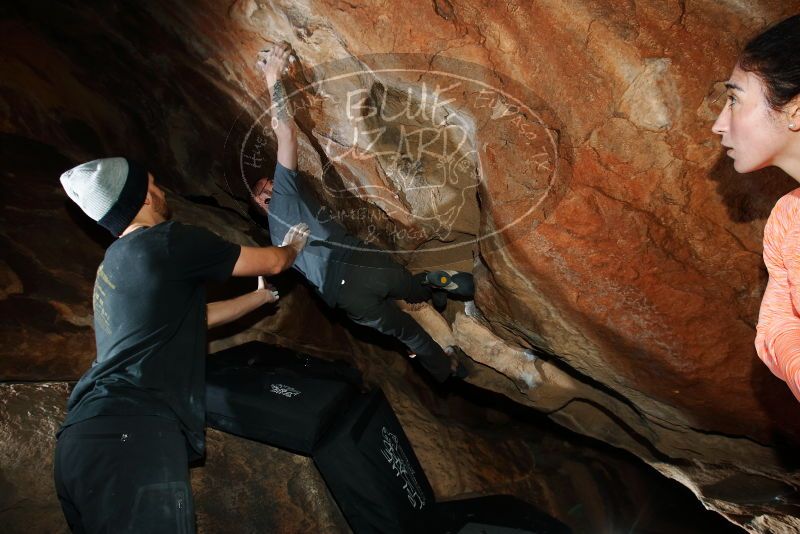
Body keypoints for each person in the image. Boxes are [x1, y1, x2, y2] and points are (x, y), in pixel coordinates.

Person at [53, 156, 310, 532]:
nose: (161, 191)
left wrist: (261, 299)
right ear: (140, 198)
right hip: (133, 432)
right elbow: (270, 262)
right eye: (153, 184)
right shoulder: (168, 241)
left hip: (78, 443)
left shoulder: (112, 264)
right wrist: (292, 249)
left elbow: (193, 319)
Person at [252, 43, 473, 383]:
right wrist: (272, 78)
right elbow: (285, 132)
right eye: (267, 187)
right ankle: (429, 286)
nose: (270, 187)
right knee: (406, 285)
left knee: (407, 334)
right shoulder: (283, 191)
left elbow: (276, 265)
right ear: (267, 195)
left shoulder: (274, 236)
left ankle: (448, 369)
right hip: (364, 262)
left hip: (346, 297)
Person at [712, 15, 800, 401]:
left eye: (734, 99)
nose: (718, 124)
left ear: (795, 109)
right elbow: (776, 329)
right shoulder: (787, 218)